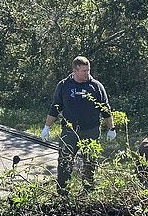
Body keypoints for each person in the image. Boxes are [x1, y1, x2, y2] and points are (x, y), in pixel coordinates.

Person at [41, 56, 115, 193]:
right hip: (70, 132)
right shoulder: (64, 86)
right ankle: (63, 192)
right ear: (75, 70)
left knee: (90, 163)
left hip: (91, 131)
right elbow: (55, 107)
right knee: (65, 161)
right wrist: (47, 127)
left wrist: (111, 128)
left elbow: (105, 108)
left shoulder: (96, 86)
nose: (87, 73)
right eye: (84, 71)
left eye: (88, 70)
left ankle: (88, 192)